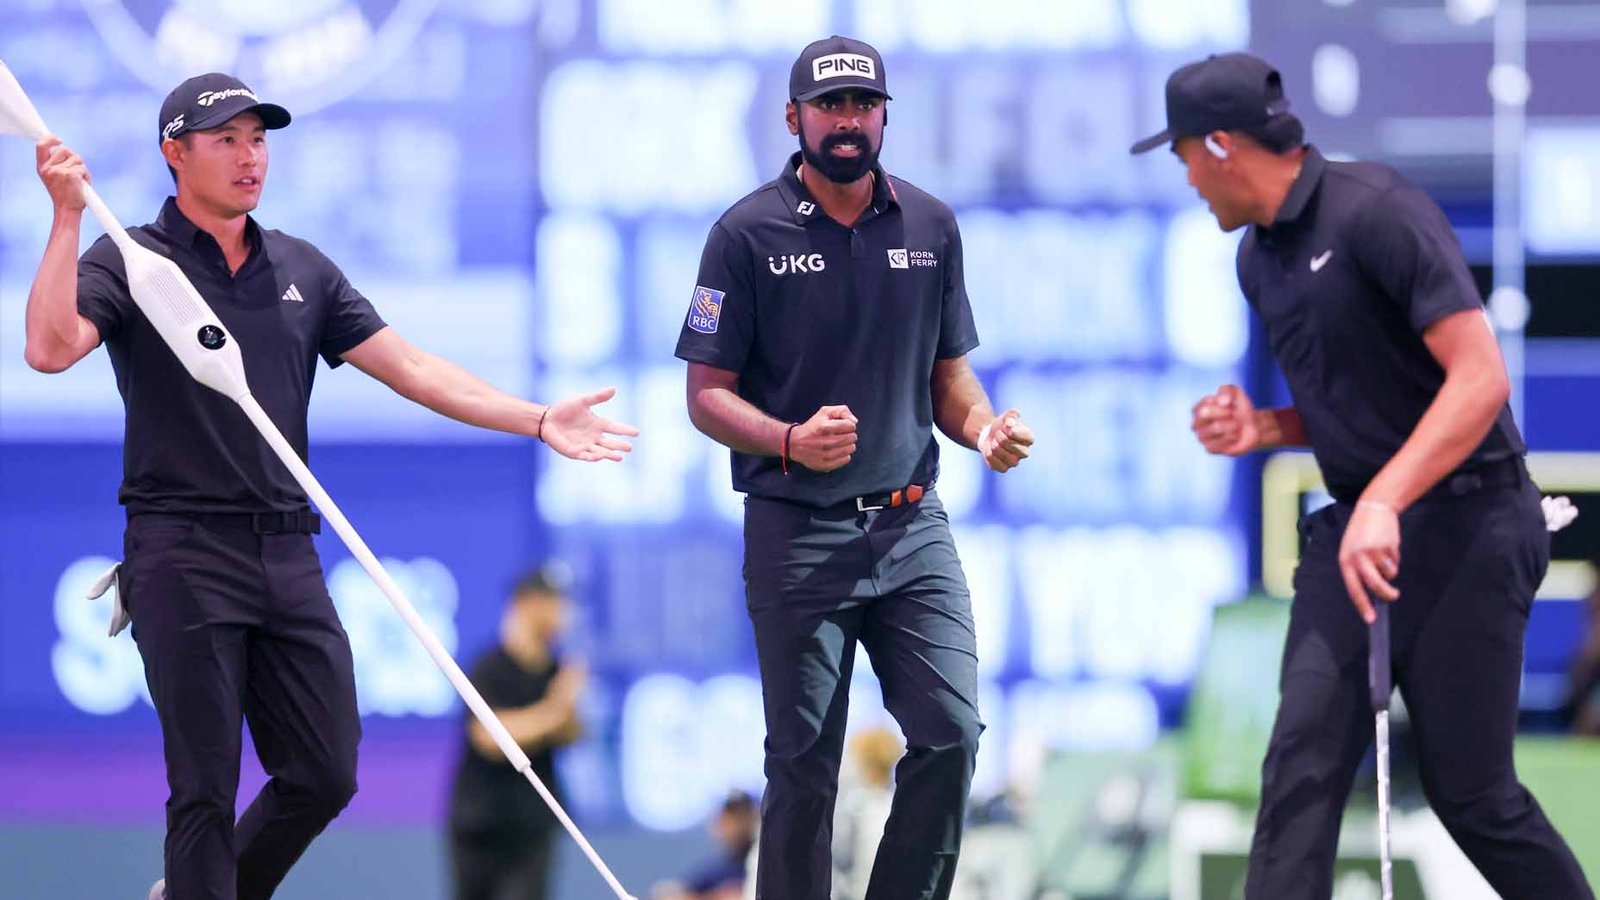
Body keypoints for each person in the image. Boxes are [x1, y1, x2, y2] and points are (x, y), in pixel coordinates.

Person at [24, 73, 637, 900]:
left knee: (324, 771)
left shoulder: (301, 268)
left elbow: (414, 369)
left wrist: (535, 419)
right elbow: (51, 348)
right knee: (203, 789)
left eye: (259, 139)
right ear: (176, 153)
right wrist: (65, 216)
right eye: (226, 140)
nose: (250, 158)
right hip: (180, 550)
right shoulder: (131, 258)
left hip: (286, 546)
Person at [1132, 52, 1593, 898]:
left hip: (1474, 521)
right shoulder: (1258, 262)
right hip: (1359, 534)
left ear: (1223, 145)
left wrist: (1385, 496)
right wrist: (1266, 427)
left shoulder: (1378, 211)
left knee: (1473, 793)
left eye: (1186, 153)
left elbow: (1480, 379)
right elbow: (1367, 402)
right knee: (1299, 768)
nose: (1187, 176)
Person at [674, 35, 1035, 900]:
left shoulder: (931, 224)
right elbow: (705, 395)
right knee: (803, 766)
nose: (846, 121)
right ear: (793, 118)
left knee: (951, 733)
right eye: (828, 106)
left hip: (912, 525)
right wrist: (791, 439)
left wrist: (984, 430)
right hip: (798, 530)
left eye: (862, 105)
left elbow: (949, 375)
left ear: (883, 116)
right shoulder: (743, 233)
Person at [448, 566, 586, 900]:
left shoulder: (556, 670)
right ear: (527, 604)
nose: (561, 612)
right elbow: (489, 738)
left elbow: (572, 732)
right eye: (552, 602)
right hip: (479, 822)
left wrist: (562, 709)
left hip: (531, 824)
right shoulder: (489, 666)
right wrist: (552, 712)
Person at [652, 790, 760, 900]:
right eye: (731, 817)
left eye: (741, 816)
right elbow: (668, 894)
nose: (736, 825)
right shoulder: (717, 869)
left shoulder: (761, 861)